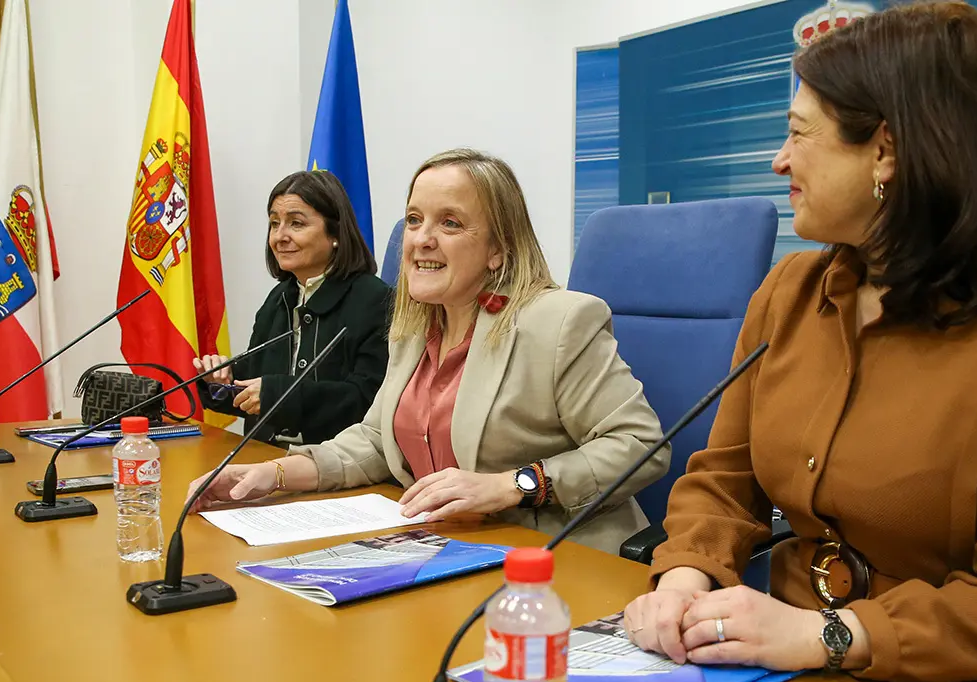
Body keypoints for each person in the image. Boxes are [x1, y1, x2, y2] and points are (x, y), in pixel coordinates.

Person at [622, 1, 977, 682]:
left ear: (887, 151)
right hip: (782, 673)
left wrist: (826, 635)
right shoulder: (788, 292)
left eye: (799, 134)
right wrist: (684, 577)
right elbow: (724, 480)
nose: (779, 161)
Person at [188, 148, 671, 553]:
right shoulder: (414, 325)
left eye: (451, 223)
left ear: (498, 249)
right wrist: (270, 475)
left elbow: (640, 445)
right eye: (415, 220)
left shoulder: (559, 321)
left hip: (552, 556)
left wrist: (511, 486)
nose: (421, 239)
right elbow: (376, 442)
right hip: (442, 547)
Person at [194, 170, 392, 447]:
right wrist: (221, 381)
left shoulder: (374, 299)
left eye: (296, 224)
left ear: (335, 233)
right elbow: (253, 387)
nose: (279, 237)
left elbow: (367, 400)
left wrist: (278, 394)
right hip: (263, 458)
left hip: (337, 464)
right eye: (274, 224)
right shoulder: (280, 298)